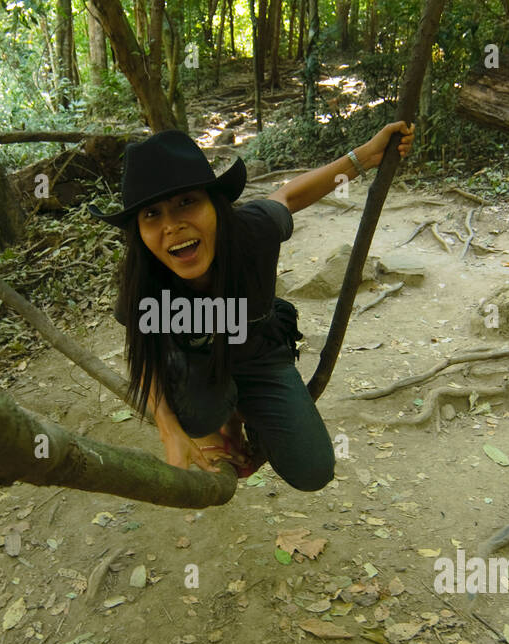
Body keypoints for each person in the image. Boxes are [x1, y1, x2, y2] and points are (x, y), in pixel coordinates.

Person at [89, 121, 414, 490]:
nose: (172, 226)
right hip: (195, 368)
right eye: (152, 215)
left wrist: (365, 157)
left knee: (313, 470)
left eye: (186, 203)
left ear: (216, 205)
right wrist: (170, 431)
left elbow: (288, 196)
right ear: (139, 231)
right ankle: (221, 416)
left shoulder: (252, 234)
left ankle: (244, 412)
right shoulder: (143, 279)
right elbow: (144, 353)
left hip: (259, 354)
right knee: (197, 415)